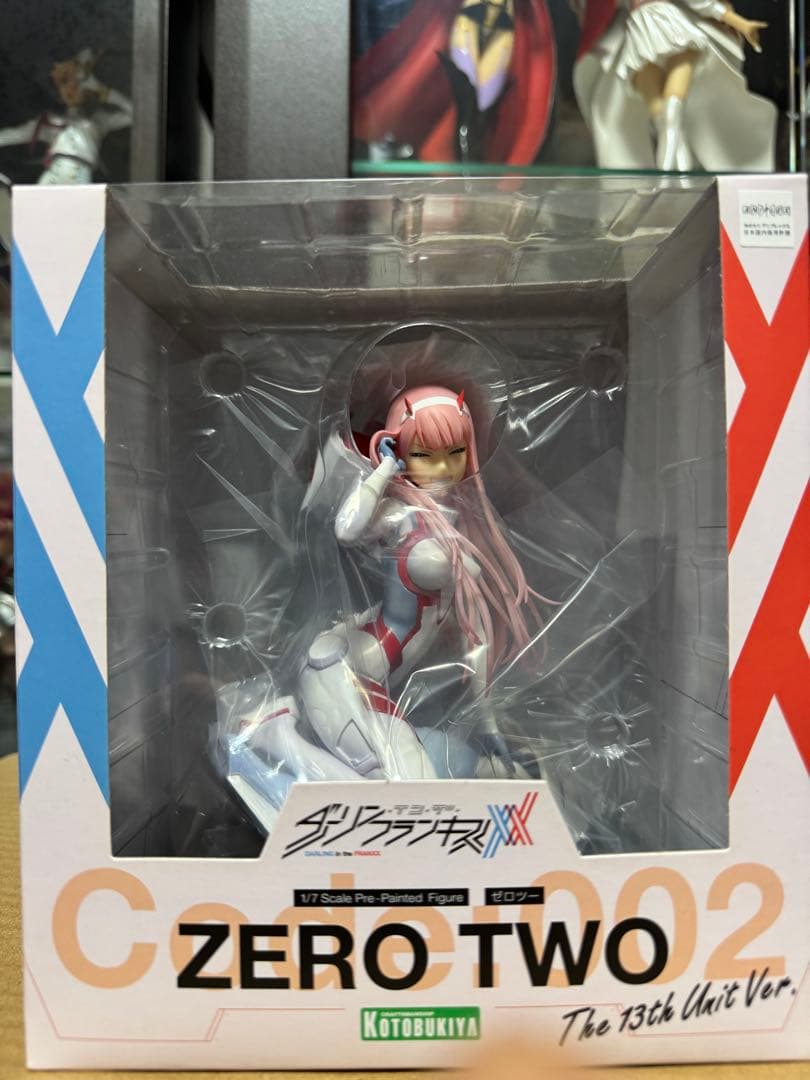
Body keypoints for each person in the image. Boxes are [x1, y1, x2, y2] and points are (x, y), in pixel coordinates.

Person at [222, 385, 540, 831]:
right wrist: (384, 468)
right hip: (340, 670)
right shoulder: (400, 516)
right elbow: (346, 528)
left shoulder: (462, 527)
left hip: (373, 679)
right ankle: (275, 737)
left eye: (455, 452)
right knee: (398, 794)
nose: (443, 467)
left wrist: (488, 724)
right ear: (398, 447)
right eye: (424, 454)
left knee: (416, 788)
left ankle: (278, 735)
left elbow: (476, 640)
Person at [573, 0, 777, 170]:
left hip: (672, 27)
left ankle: (674, 179)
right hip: (639, 35)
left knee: (672, 112)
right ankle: (675, 179)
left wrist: (740, 23)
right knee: (663, 118)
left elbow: (701, 3)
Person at [0, 48, 132, 185]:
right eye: (64, 81)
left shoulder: (98, 120)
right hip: (54, 171)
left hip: (80, 172)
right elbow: (15, 135)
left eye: (79, 80)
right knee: (35, 198)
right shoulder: (51, 121)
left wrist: (106, 93)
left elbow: (133, 115)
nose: (72, 87)